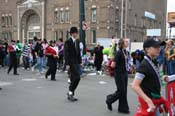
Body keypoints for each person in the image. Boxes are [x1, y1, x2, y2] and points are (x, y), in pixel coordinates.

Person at [131, 38, 168, 116]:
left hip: (155, 100)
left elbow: (153, 77)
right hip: (149, 102)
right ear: (147, 49)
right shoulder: (144, 65)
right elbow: (134, 85)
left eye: (159, 46)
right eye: (155, 47)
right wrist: (148, 100)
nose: (159, 49)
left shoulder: (154, 61)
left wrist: (164, 78)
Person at [105, 39, 130, 114]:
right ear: (122, 43)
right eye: (126, 41)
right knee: (121, 90)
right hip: (119, 74)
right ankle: (109, 100)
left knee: (124, 91)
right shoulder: (118, 52)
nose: (127, 42)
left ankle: (123, 108)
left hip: (125, 73)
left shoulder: (126, 52)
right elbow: (113, 64)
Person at [64, 27, 82, 102]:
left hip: (76, 62)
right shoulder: (67, 42)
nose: (76, 34)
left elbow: (78, 53)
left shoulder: (77, 41)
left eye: (76, 32)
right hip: (71, 62)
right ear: (72, 33)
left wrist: (80, 62)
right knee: (77, 77)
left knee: (73, 78)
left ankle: (71, 94)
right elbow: (66, 53)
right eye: (75, 32)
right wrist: (67, 64)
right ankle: (70, 91)